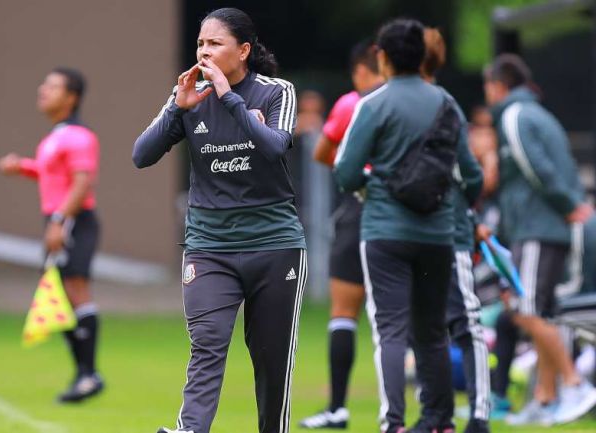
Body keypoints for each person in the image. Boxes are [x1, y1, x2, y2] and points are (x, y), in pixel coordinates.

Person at [132, 8, 306, 433]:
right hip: (210, 247)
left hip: (274, 246)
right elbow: (141, 155)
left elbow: (274, 147)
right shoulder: (188, 94)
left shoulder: (275, 91)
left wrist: (230, 98)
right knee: (206, 345)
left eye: (215, 43)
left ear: (243, 51)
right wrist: (178, 108)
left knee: (271, 360)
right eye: (200, 44)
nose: (203, 52)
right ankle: (191, 429)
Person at [333, 18, 482, 433]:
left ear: (382, 57)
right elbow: (472, 174)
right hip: (437, 234)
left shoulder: (374, 104)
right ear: (422, 56)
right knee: (433, 331)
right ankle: (440, 420)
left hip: (384, 231)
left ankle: (393, 422)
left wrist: (372, 186)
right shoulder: (447, 103)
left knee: (391, 330)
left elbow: (345, 172)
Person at [484, 53, 596, 425]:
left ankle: (575, 383)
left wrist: (567, 204)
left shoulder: (515, 116)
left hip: (536, 229)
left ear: (497, 85)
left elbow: (535, 166)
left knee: (526, 311)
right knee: (541, 313)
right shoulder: (540, 114)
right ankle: (545, 400)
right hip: (545, 229)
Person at [0, 67, 103, 403]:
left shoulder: (79, 137)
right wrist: (23, 167)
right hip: (60, 220)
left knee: (74, 291)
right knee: (59, 298)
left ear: (71, 98)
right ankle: (83, 376)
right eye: (44, 84)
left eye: (53, 86)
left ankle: (88, 375)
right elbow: (52, 177)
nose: (43, 90)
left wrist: (59, 220)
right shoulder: (55, 136)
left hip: (73, 221)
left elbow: (82, 182)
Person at [299, 39, 384, 430]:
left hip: (359, 210)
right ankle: (403, 410)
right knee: (399, 317)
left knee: (343, 313)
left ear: (358, 69)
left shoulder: (352, 103)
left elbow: (322, 153)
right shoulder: (417, 100)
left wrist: (354, 168)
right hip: (404, 214)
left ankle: (337, 408)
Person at [419, 27, 490, 433]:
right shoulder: (446, 104)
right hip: (450, 228)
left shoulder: (400, 102)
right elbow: (470, 173)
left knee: (431, 325)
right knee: (466, 321)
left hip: (424, 231)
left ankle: (439, 413)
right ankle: (474, 414)